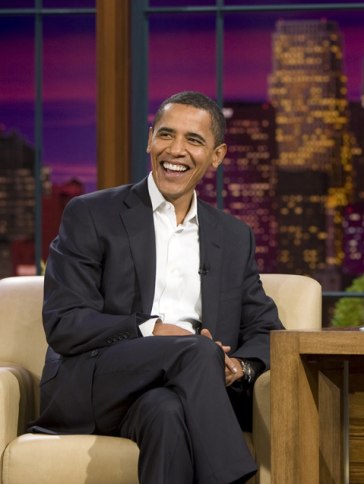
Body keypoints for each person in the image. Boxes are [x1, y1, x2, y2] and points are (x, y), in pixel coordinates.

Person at [32, 91, 284, 483]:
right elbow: (65, 322)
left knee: (166, 412)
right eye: (166, 135)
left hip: (180, 392)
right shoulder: (92, 214)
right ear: (150, 139)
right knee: (198, 350)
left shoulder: (233, 237)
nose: (176, 150)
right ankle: (237, 478)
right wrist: (149, 329)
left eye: (194, 140)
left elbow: (266, 331)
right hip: (98, 381)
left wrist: (239, 366)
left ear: (217, 156)